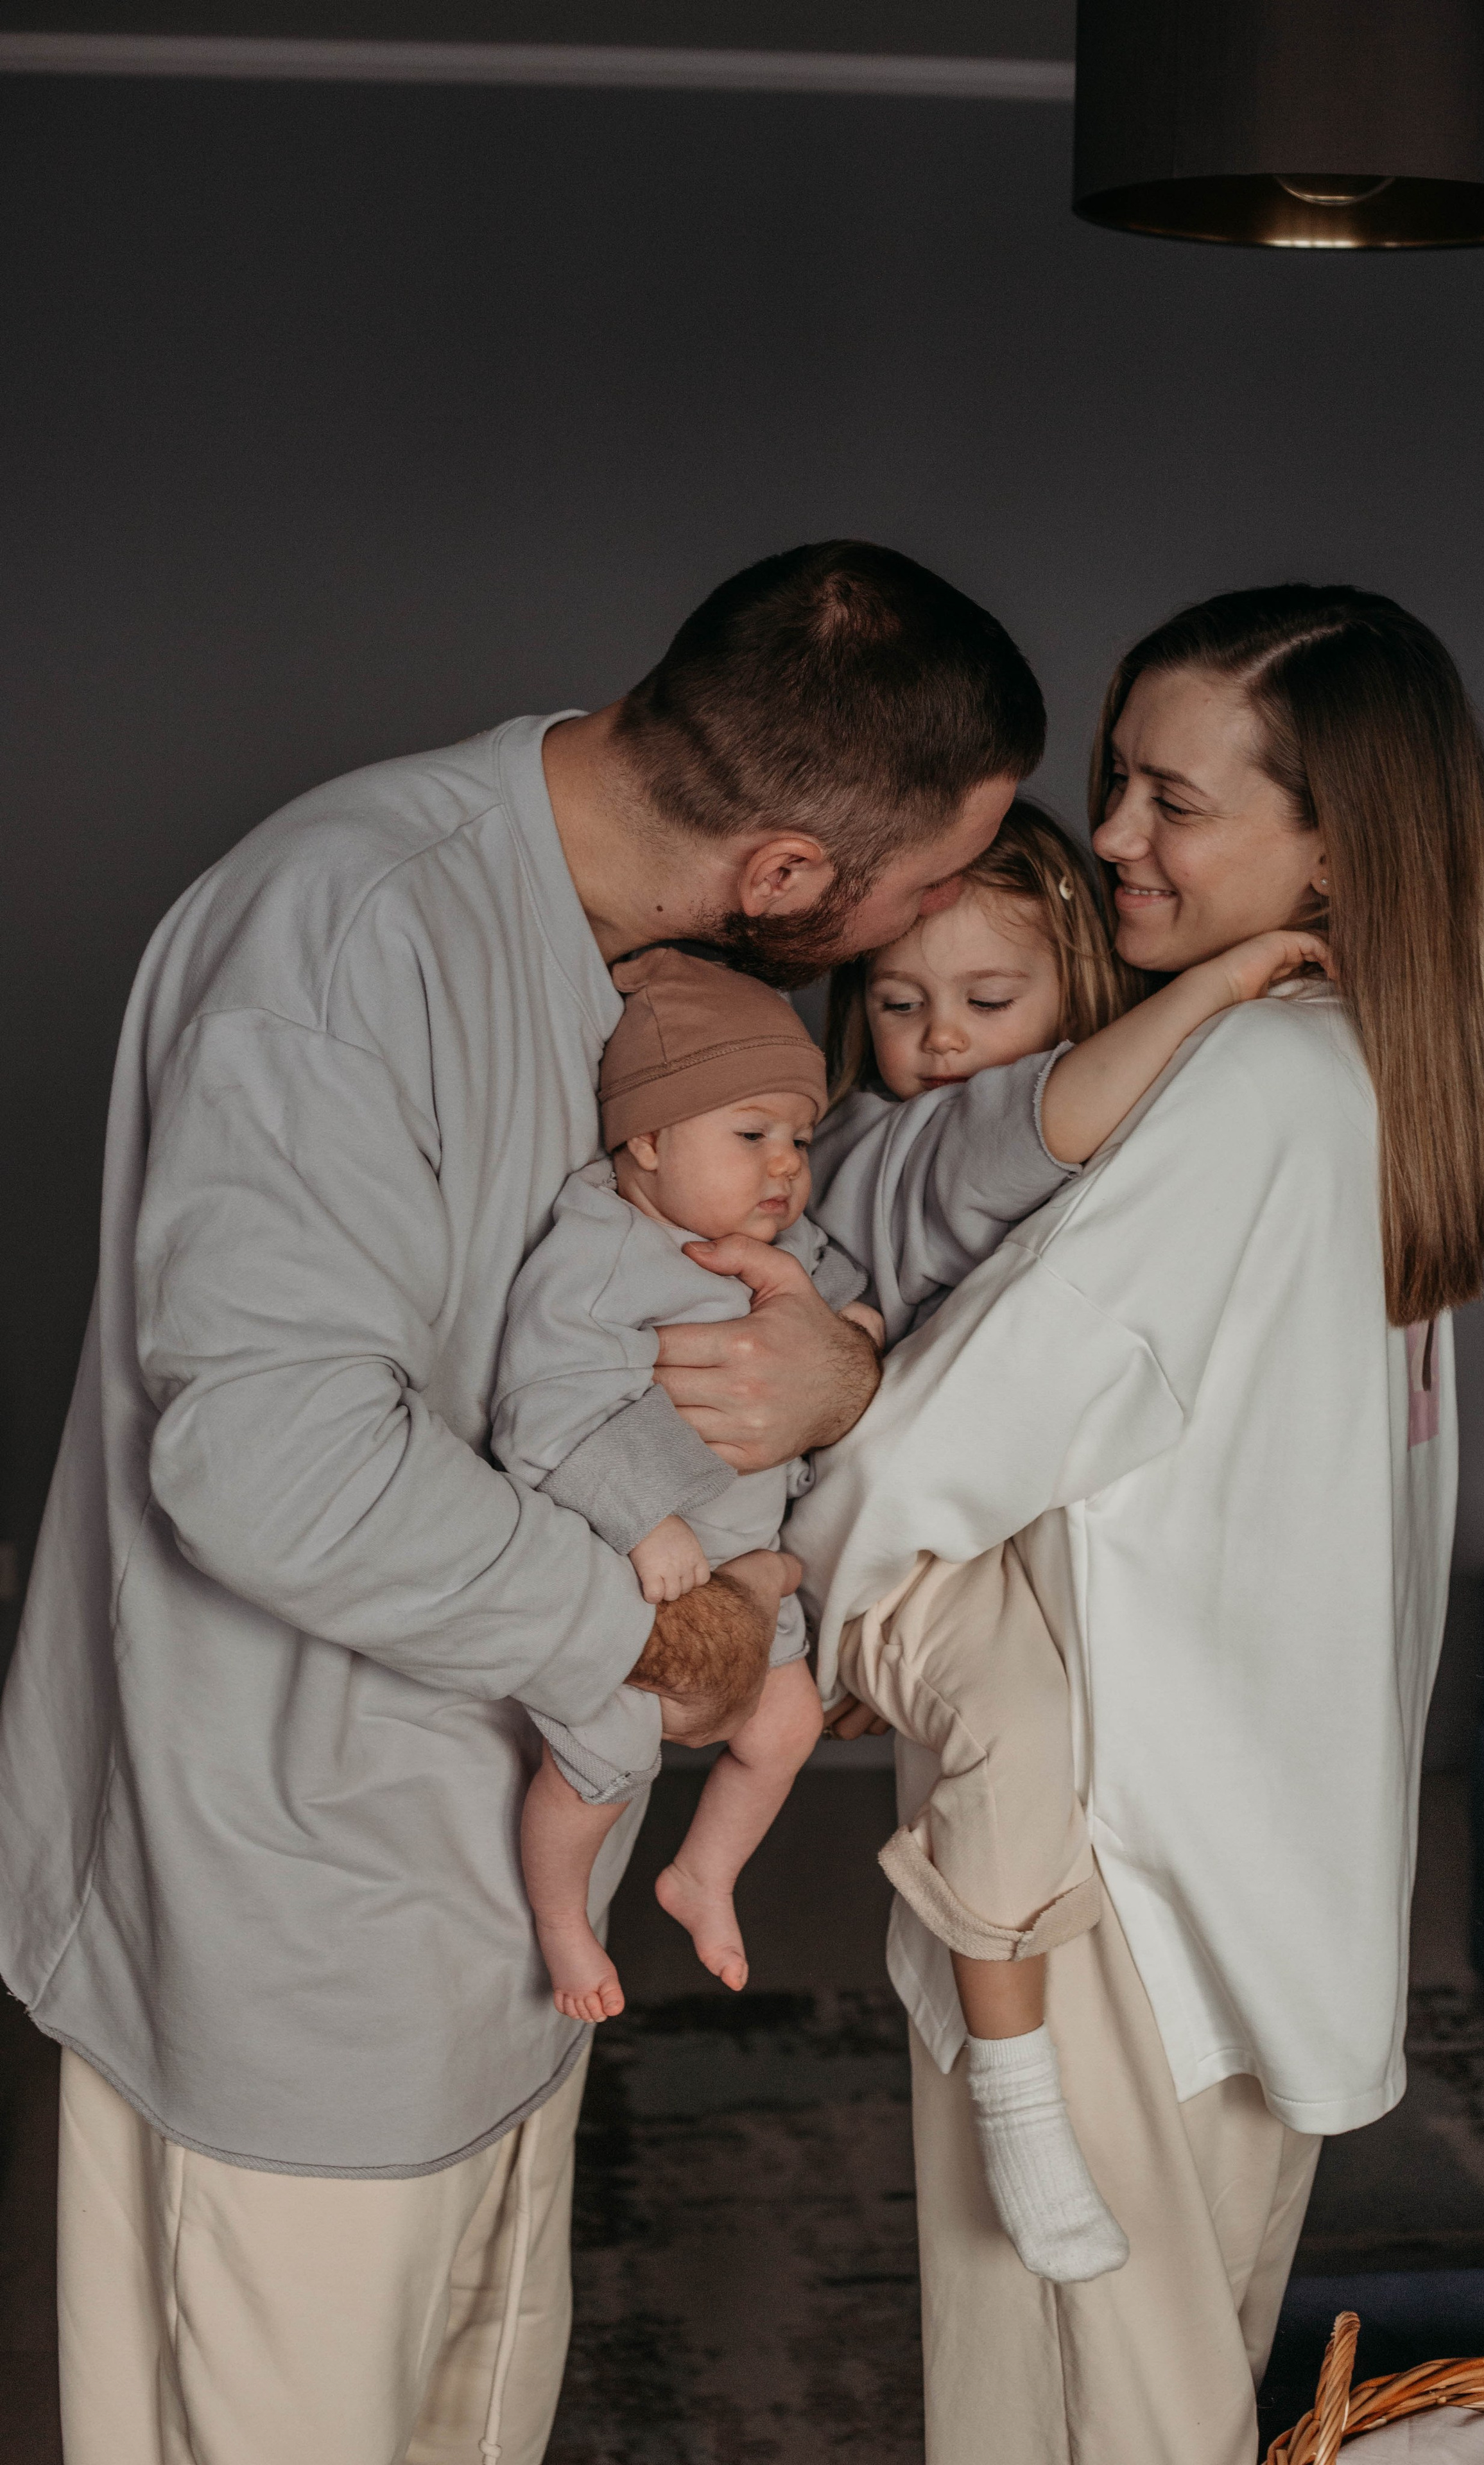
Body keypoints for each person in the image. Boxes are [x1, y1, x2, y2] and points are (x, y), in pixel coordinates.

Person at [0, 540, 1050, 2465]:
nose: (946, 920)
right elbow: (272, 1461)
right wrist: (688, 1660)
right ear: (792, 875)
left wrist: (846, 1371)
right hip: (302, 1913)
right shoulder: (348, 933)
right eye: (930, 881)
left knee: (475, 2419)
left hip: (497, 1891)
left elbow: (646, 1315)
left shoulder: (638, 967)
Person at [791, 585, 1484, 2465]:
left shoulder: (1249, 1089)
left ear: (1333, 842)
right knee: (1169, 2381)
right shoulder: (1378, 1075)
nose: (1110, 834)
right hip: (1272, 1845)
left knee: (1067, 2413)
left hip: (1111, 1858)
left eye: (1169, 800)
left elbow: (968, 1427)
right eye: (1118, 785)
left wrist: (809, 1608)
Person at [497, 866, 1320, 2034]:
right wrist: (1218, 984)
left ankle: (705, 1874)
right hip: (766, 1532)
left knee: (791, 1733)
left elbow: (849, 1301)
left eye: (989, 1000)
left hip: (804, 1535)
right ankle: (1001, 2064)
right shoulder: (890, 1148)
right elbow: (1029, 1124)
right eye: (898, 1005)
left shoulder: (796, 1184)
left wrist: (855, 1340)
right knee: (994, 1744)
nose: (941, 1038)